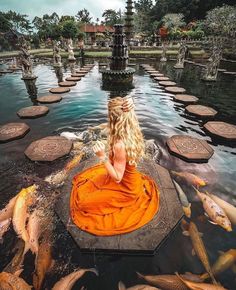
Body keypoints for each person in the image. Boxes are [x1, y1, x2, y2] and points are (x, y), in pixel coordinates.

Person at [70, 97, 160, 236]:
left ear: (114, 119)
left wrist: (102, 156)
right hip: (129, 179)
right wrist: (130, 100)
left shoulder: (119, 145)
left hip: (126, 188)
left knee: (82, 205)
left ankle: (126, 198)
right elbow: (114, 120)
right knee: (87, 187)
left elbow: (118, 178)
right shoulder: (130, 129)